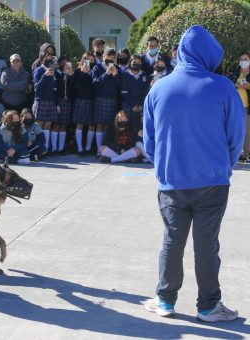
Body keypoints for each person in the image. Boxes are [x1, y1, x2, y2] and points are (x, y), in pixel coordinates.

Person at [143, 26, 245, 321]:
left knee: (172, 241)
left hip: (171, 181)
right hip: (212, 180)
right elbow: (235, 136)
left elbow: (149, 140)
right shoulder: (223, 86)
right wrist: (224, 165)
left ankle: (164, 300)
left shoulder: (159, 87)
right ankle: (209, 306)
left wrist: (163, 166)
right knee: (207, 245)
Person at [92, 48, 122, 157]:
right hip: (100, 98)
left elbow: (119, 86)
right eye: (108, 56)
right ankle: (98, 150)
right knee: (99, 125)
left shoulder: (117, 68)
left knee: (108, 126)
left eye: (113, 57)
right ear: (104, 57)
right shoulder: (97, 67)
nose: (110, 59)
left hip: (112, 99)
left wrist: (115, 75)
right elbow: (95, 83)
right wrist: (106, 74)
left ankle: (105, 149)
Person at [32, 51, 59, 154]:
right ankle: (37, 149)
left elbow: (54, 88)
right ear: (42, 58)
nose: (49, 58)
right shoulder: (38, 70)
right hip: (41, 101)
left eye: (51, 56)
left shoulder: (53, 70)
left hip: (51, 101)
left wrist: (56, 103)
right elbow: (36, 88)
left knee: (48, 124)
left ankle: (46, 149)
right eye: (47, 56)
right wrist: (45, 75)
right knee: (39, 125)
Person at [71, 52, 96, 156]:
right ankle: (80, 149)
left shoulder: (95, 70)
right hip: (80, 100)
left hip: (92, 100)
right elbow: (75, 86)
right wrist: (82, 73)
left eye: (91, 59)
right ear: (83, 60)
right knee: (79, 124)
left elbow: (96, 84)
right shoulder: (78, 71)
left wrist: (89, 74)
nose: (90, 62)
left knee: (91, 125)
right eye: (87, 59)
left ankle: (88, 148)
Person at [229, 51, 250, 162]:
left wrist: (247, 86)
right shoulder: (236, 71)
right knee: (235, 129)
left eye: (245, 59)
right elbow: (229, 82)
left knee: (246, 131)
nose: (243, 61)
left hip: (247, 107)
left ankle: (245, 155)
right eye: (241, 59)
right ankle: (235, 153)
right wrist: (235, 84)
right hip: (235, 105)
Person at [121, 55, 149, 131]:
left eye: (138, 62)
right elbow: (124, 92)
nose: (136, 63)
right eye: (134, 62)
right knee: (126, 127)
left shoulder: (144, 74)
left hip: (140, 106)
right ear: (130, 63)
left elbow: (145, 92)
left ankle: (137, 142)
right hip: (128, 105)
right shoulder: (125, 74)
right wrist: (133, 105)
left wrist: (141, 105)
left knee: (139, 128)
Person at [54, 57, 73, 155]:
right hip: (59, 101)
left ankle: (61, 148)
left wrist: (70, 74)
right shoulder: (56, 73)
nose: (65, 65)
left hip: (67, 101)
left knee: (64, 125)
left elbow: (73, 87)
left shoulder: (69, 75)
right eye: (63, 63)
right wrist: (56, 103)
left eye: (67, 63)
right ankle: (53, 148)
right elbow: (55, 89)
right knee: (57, 124)